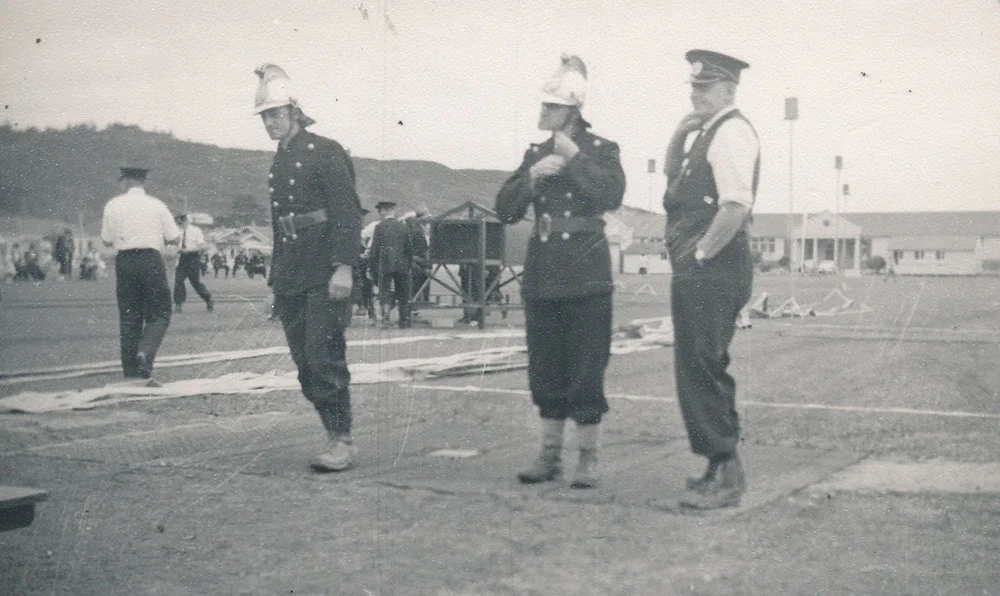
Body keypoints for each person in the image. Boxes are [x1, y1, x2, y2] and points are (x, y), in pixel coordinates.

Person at [495, 54, 625, 489]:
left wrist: (573, 160)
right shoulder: (535, 153)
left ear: (572, 110)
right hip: (544, 274)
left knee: (587, 368)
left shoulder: (602, 150)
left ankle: (588, 457)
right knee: (546, 367)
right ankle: (550, 455)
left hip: (586, 275)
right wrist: (532, 177)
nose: (542, 113)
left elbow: (610, 194)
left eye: (550, 107)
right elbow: (505, 209)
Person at [662, 50, 760, 509]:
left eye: (704, 88)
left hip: (713, 266)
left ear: (727, 90)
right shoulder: (706, 133)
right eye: (693, 87)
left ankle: (727, 474)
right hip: (703, 267)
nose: (695, 94)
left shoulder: (732, 133)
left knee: (702, 363)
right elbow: (675, 185)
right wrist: (678, 137)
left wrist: (700, 256)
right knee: (698, 364)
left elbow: (735, 207)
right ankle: (717, 465)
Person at [254, 63, 363, 471]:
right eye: (265, 116)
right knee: (304, 366)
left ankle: (342, 440)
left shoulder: (326, 150)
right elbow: (280, 226)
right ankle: (334, 430)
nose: (270, 122)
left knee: (324, 355)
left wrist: (344, 267)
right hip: (292, 273)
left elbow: (347, 213)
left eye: (276, 114)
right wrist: (276, 279)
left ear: (295, 111)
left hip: (324, 268)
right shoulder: (278, 162)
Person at [100, 166, 181, 381]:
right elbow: (174, 237)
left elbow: (107, 240)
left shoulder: (112, 205)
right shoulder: (157, 205)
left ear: (124, 182)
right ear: (143, 182)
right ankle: (145, 352)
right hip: (150, 260)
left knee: (129, 317)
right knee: (160, 313)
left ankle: (131, 373)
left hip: (125, 260)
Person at [368, 200, 412, 328]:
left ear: (384, 211)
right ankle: (404, 321)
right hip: (402, 264)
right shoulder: (404, 226)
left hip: (385, 264)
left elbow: (374, 250)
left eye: (380, 210)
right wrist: (408, 264)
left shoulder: (379, 227)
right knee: (403, 293)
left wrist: (371, 267)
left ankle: (386, 320)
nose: (380, 213)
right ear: (393, 210)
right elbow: (409, 248)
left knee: (385, 292)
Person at [172, 214, 214, 313]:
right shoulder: (178, 232)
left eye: (180, 223)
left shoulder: (196, 231)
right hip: (182, 259)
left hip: (193, 258)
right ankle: (178, 304)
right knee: (179, 280)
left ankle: (208, 299)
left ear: (185, 221)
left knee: (195, 283)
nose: (179, 225)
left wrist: (189, 250)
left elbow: (203, 247)